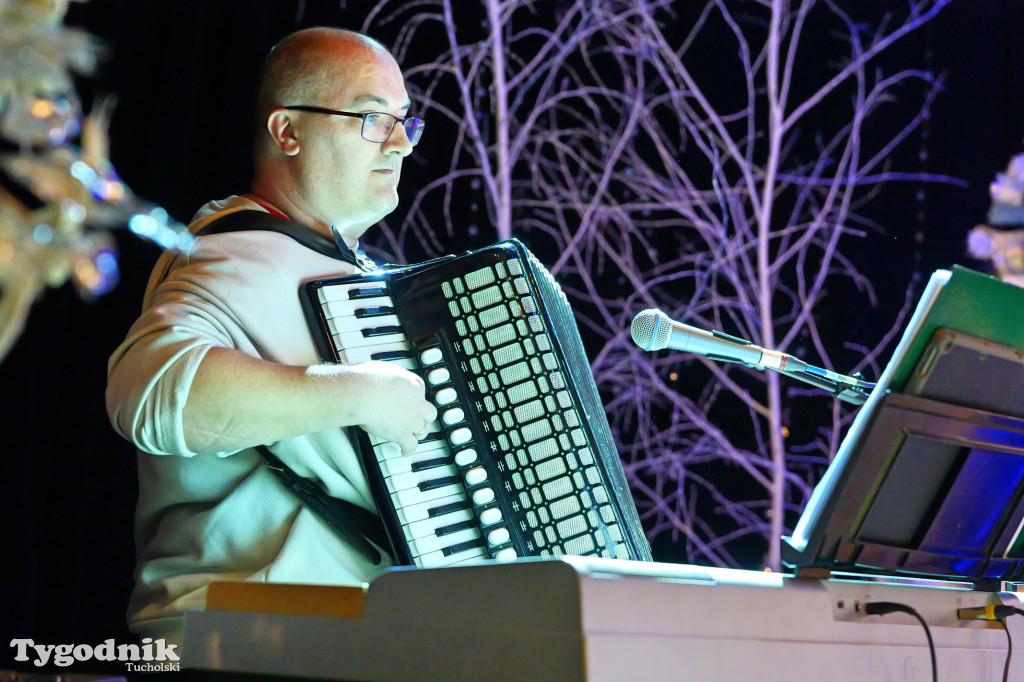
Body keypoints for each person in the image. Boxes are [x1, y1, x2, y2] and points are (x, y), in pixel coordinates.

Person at [105, 27, 438, 648]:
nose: (399, 143)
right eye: (371, 118)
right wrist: (356, 393)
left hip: (337, 637)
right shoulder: (231, 257)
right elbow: (142, 392)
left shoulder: (340, 269)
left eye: (403, 122)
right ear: (287, 132)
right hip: (232, 637)